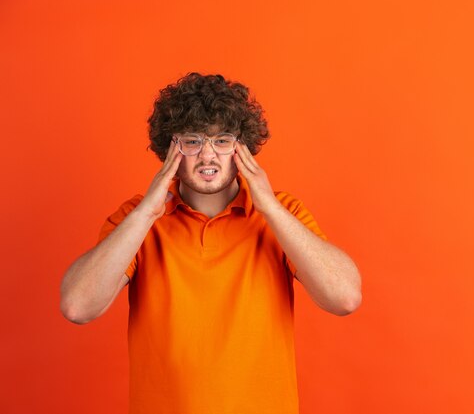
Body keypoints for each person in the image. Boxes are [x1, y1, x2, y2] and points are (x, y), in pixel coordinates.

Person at [60, 72, 362, 414]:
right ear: (170, 148)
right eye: (192, 141)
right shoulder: (136, 220)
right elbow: (77, 307)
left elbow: (345, 298)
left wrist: (268, 208)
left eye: (222, 140)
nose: (208, 156)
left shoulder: (282, 213)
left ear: (242, 147)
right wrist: (147, 211)